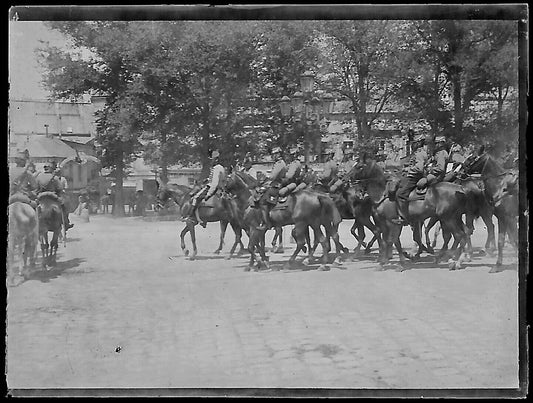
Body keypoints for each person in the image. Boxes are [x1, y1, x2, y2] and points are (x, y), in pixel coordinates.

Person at [393, 134, 428, 225]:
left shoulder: (419, 153)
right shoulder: (417, 152)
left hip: (414, 177)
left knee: (400, 194)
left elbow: (420, 168)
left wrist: (408, 169)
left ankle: (404, 217)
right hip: (411, 175)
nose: (413, 145)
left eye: (415, 143)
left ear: (419, 143)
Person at [188, 150, 226, 227]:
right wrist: (207, 180)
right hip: (220, 188)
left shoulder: (216, 168)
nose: (211, 161)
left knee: (195, 198)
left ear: (216, 159)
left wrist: (209, 194)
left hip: (212, 188)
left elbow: (214, 183)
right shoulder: (220, 168)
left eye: (212, 159)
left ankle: (191, 217)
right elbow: (214, 179)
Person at [34, 162, 74, 231]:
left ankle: (33, 224)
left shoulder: (39, 177)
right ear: (51, 169)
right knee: (64, 206)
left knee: (34, 207)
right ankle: (66, 223)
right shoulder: (54, 178)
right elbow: (60, 188)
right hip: (52, 196)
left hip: (41, 197)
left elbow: (36, 188)